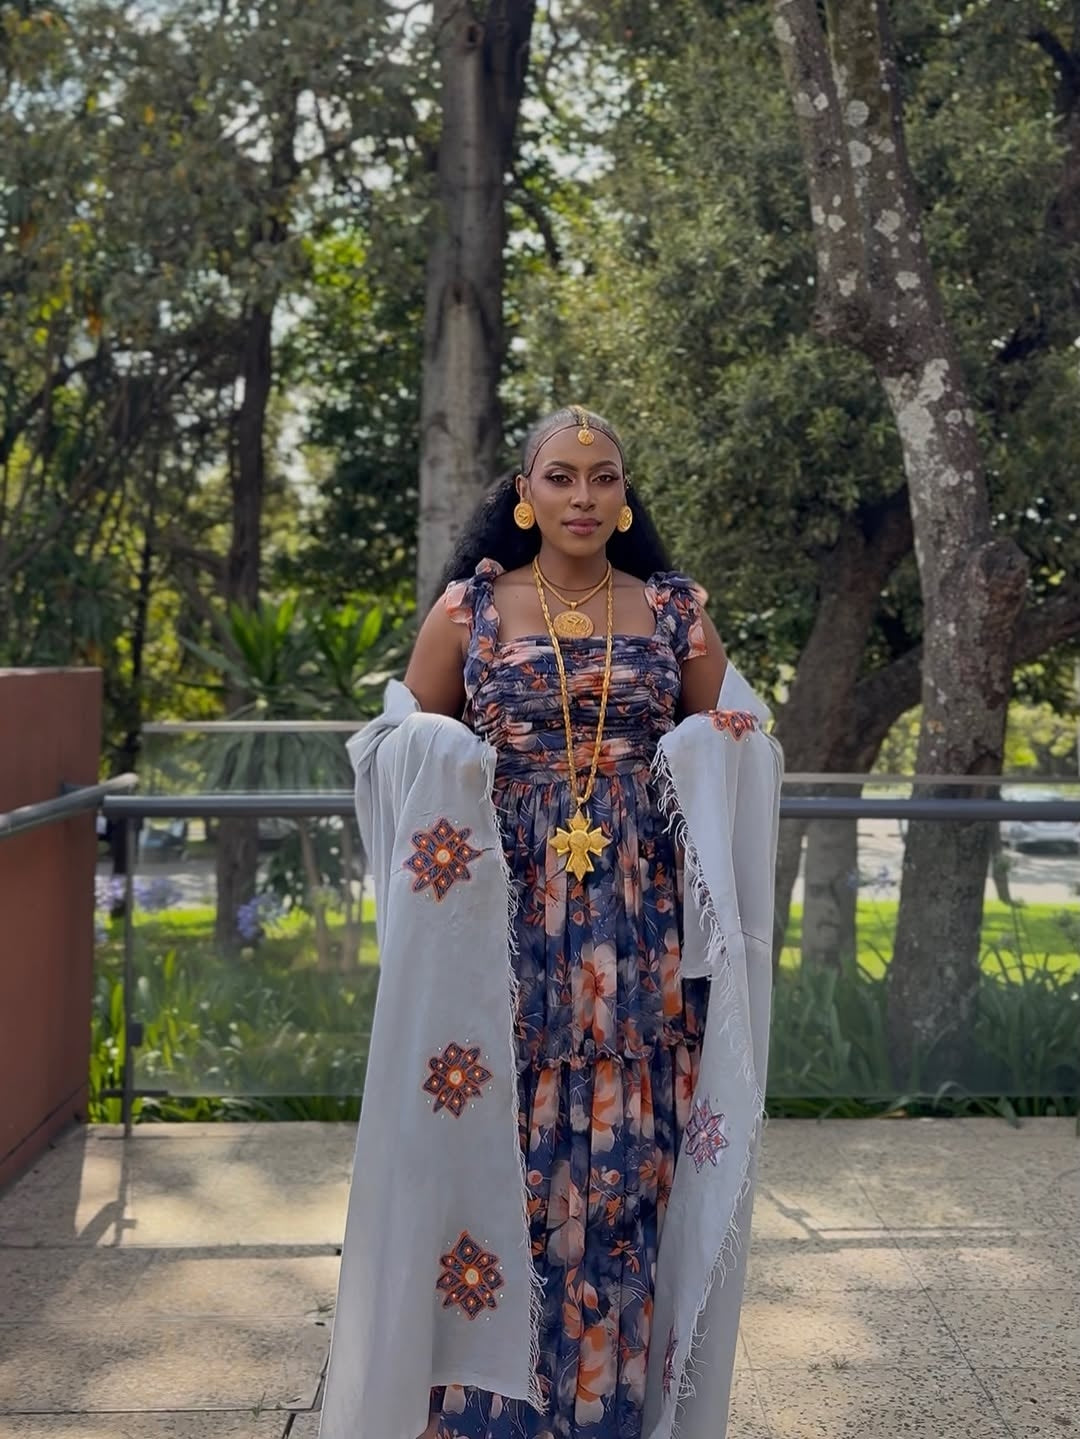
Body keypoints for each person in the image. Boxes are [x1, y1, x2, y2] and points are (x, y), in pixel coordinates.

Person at [318, 407, 783, 1439]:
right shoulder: (467, 610)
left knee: (629, 1167)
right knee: (505, 1152)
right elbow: (401, 745)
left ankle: (612, 1413)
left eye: (604, 477)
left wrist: (722, 743)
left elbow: (742, 746)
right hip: (502, 925)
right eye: (562, 476)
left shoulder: (673, 613)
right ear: (525, 489)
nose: (583, 496)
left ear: (625, 496)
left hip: (636, 932)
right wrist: (448, 760)